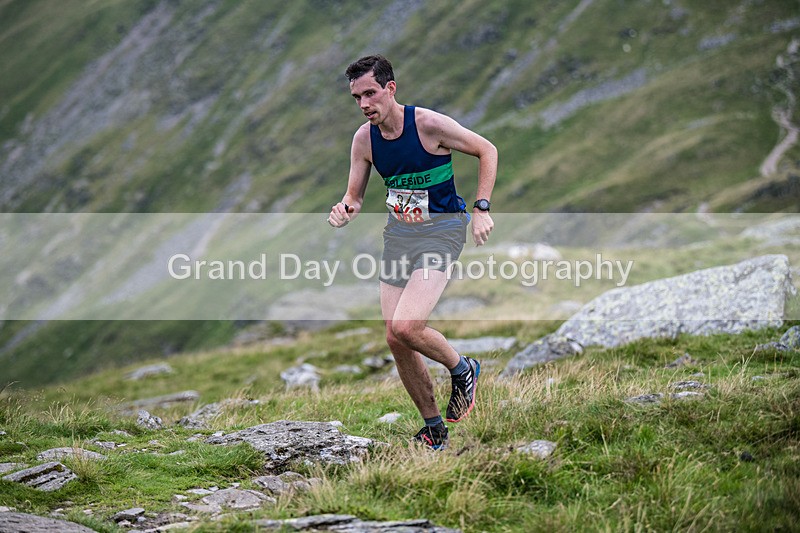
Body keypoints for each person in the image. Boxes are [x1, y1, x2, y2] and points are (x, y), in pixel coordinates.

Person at [328, 55, 497, 450]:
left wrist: (482, 209)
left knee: (407, 326)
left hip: (442, 232)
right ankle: (434, 428)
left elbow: (487, 150)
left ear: (391, 89)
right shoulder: (364, 140)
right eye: (357, 98)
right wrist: (344, 210)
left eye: (370, 93)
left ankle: (463, 368)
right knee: (395, 338)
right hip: (399, 237)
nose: (364, 104)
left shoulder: (428, 125)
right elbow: (354, 197)